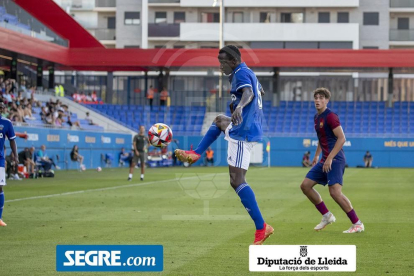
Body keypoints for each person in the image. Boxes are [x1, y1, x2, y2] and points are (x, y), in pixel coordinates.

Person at [174, 45, 273, 245]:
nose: (220, 66)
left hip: (242, 131)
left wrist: (240, 107)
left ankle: (262, 227)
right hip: (248, 127)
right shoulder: (246, 71)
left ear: (233, 61)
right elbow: (258, 89)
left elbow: (249, 93)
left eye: (222, 62)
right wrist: (238, 104)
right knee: (219, 120)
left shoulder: (240, 74)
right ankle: (196, 153)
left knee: (237, 180)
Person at [300, 88, 364, 234]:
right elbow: (321, 139)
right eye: (315, 97)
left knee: (335, 193)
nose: (317, 100)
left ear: (327, 100)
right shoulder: (316, 118)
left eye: (321, 98)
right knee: (305, 186)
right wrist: (316, 156)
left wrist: (329, 158)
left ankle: (357, 223)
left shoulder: (331, 117)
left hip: (335, 159)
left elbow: (342, 138)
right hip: (325, 159)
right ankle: (327, 215)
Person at [0, 99, 19, 226]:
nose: (2, 107)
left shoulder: (6, 123)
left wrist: (15, 155)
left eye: (2, 106)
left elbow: (12, 140)